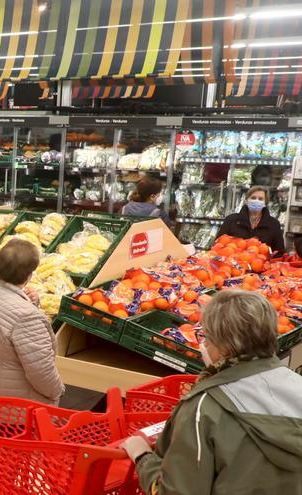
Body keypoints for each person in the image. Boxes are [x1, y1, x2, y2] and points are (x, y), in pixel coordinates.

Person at [121, 290, 302, 494]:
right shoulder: (296, 384)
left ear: (225, 347)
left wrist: (142, 456)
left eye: (205, 336)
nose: (203, 344)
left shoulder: (203, 408)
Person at [0, 238, 65, 405]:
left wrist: (30, 303)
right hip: (11, 410)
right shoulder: (27, 317)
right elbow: (42, 372)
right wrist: (58, 391)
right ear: (28, 275)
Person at [216, 185, 285, 254]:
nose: (256, 201)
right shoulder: (231, 220)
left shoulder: (273, 224)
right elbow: (218, 245)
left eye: (260, 199)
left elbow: (279, 252)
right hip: (233, 262)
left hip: (261, 263)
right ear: (247, 200)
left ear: (265, 203)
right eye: (253, 198)